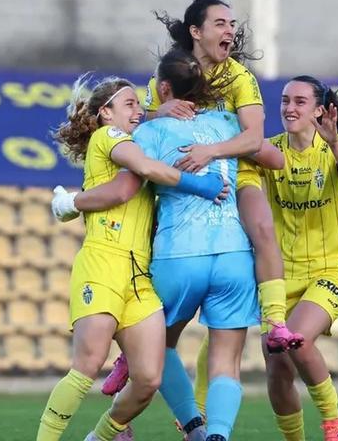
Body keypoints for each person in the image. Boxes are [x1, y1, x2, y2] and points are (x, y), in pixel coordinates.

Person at [102, 0, 303, 413]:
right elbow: (135, 121)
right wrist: (159, 113)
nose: (230, 30)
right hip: (174, 189)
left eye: (232, 24)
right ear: (197, 32)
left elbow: (252, 139)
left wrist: (211, 152)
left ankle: (276, 322)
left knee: (263, 228)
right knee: (141, 248)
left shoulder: (239, 76)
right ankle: (132, 357)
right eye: (220, 23)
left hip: (233, 174)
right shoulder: (168, 76)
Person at [38, 75, 226, 441]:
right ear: (106, 113)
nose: (137, 111)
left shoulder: (136, 140)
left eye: (139, 105)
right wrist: (199, 185)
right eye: (129, 105)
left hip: (138, 273)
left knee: (148, 379)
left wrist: (156, 114)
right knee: (88, 365)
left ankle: (100, 437)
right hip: (104, 260)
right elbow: (140, 174)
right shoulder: (108, 138)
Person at [255, 76, 338, 441]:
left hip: (330, 268)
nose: (290, 108)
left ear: (320, 111)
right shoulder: (270, 151)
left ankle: (333, 421)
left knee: (295, 339)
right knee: (275, 363)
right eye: (285, 100)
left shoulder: (337, 148)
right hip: (280, 275)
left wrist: (336, 144)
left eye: (300, 102)